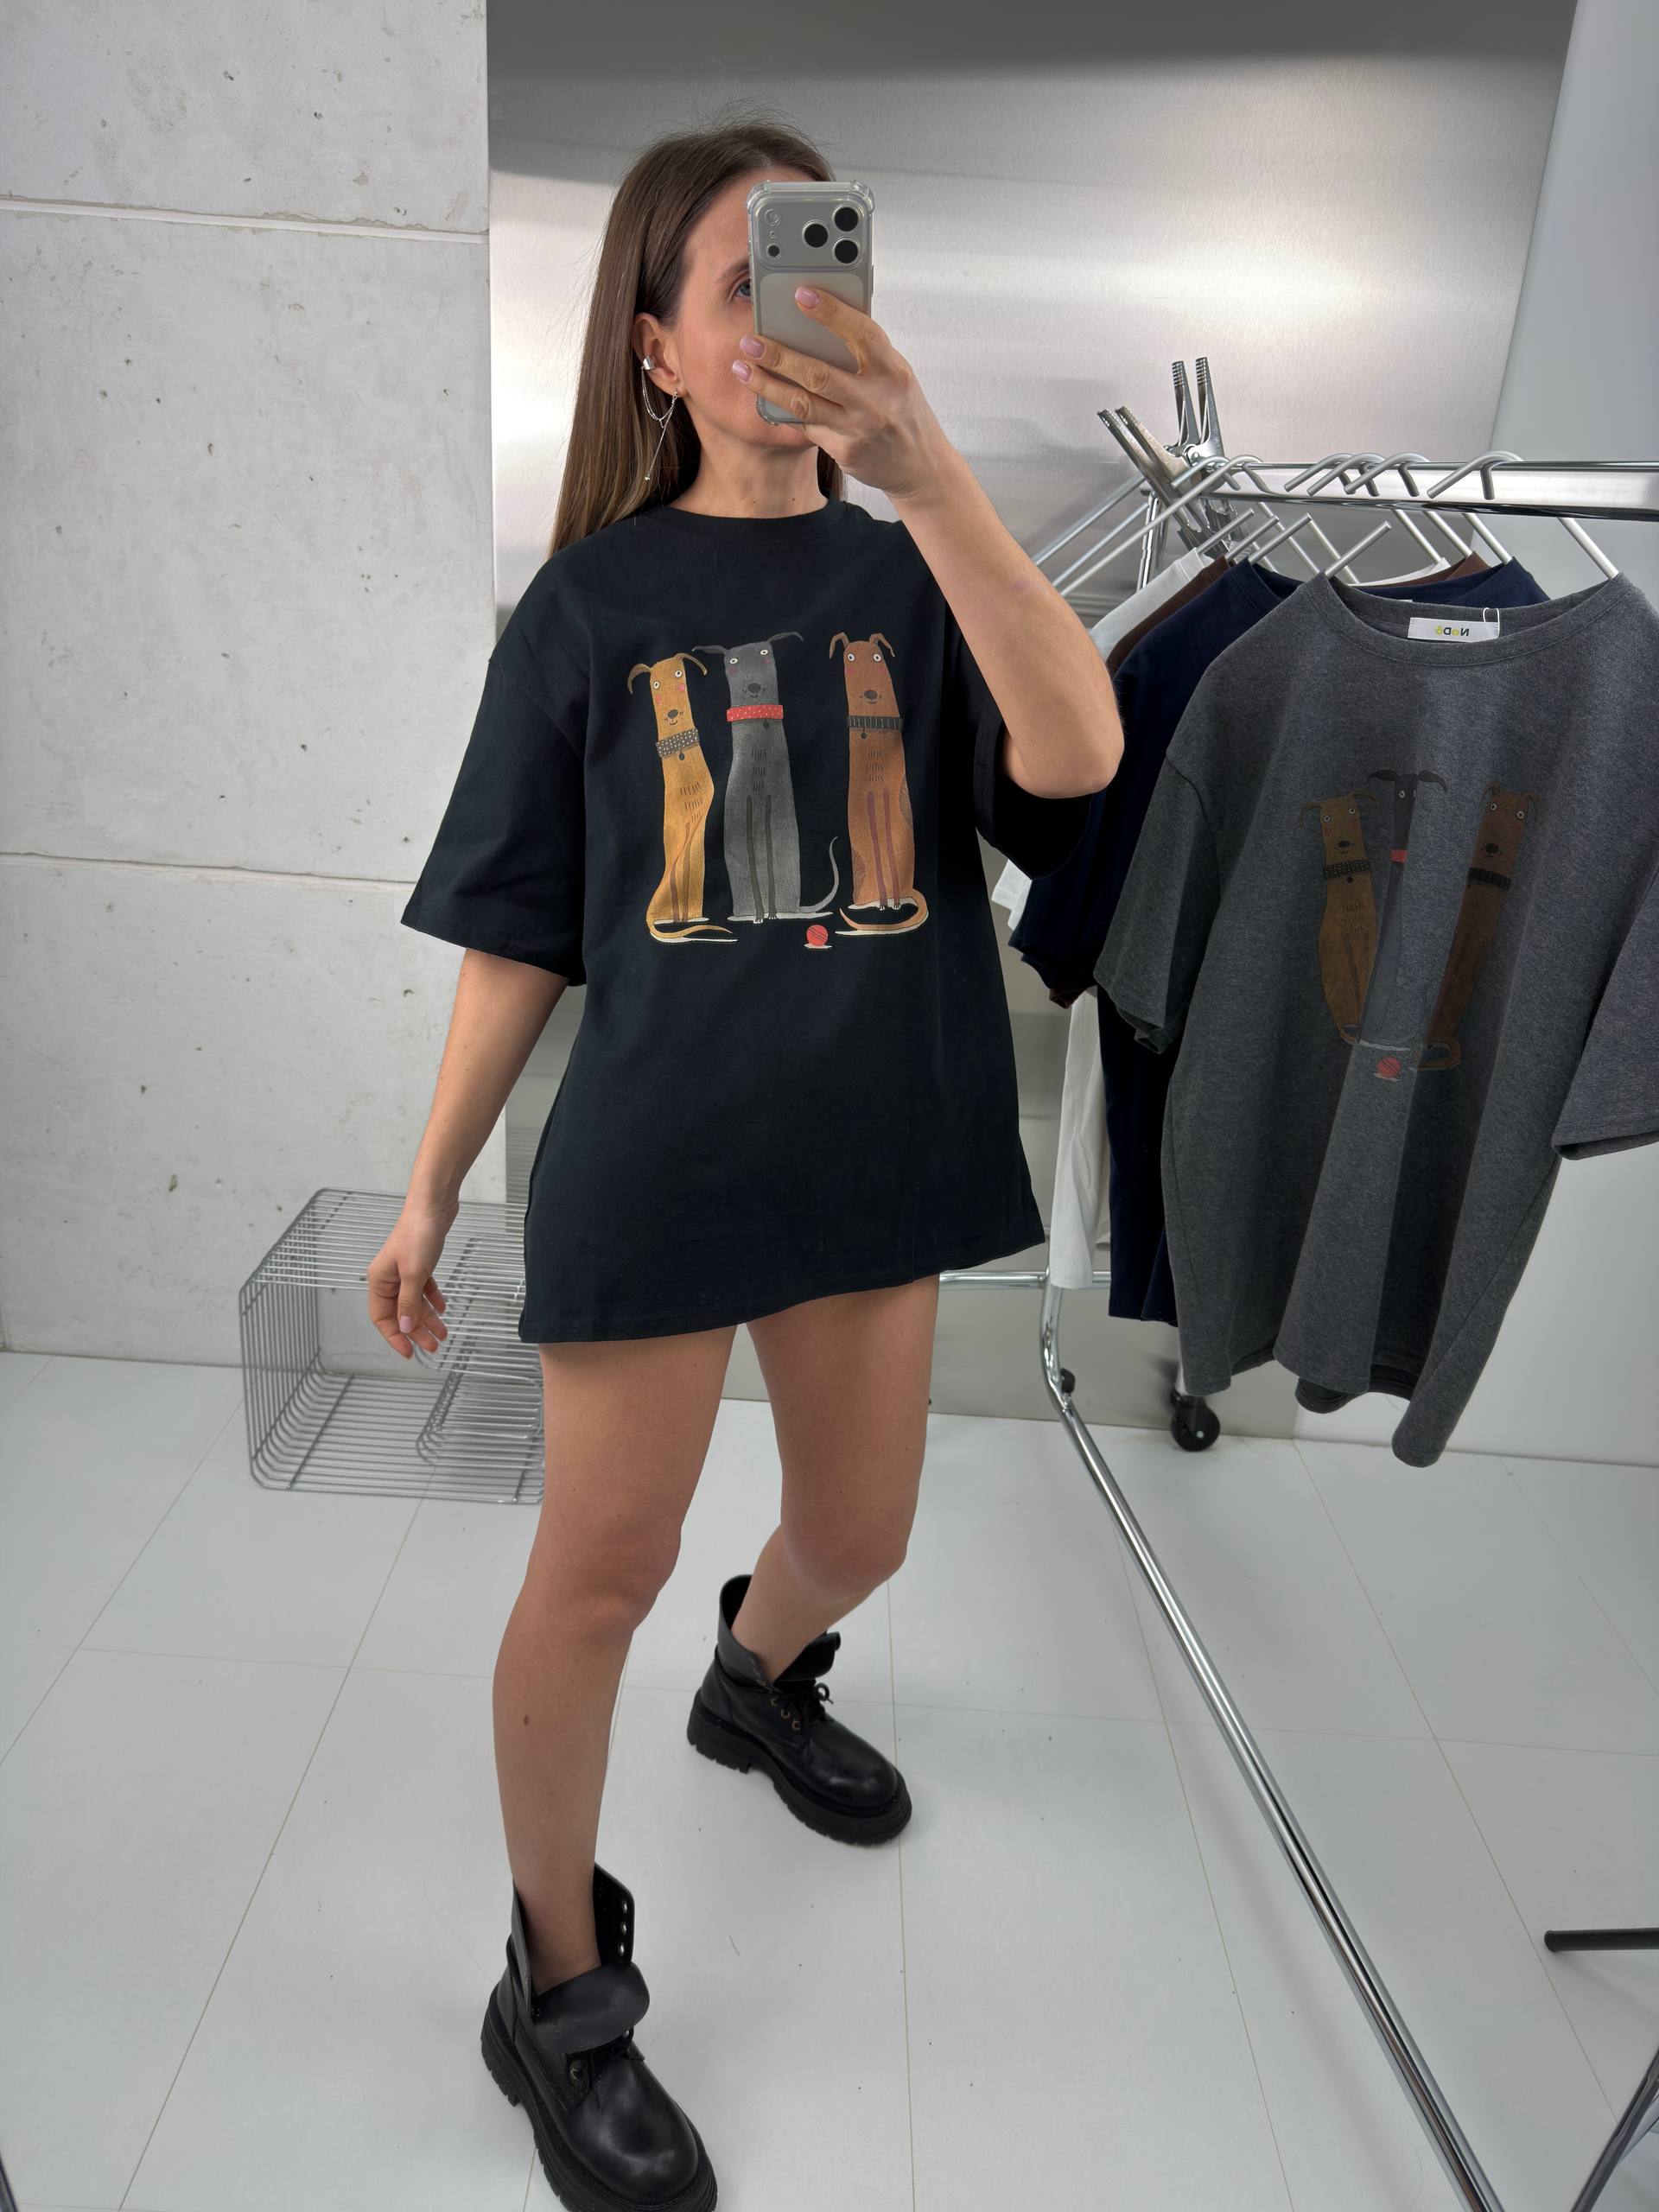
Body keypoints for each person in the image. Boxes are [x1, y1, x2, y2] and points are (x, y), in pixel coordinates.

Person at [367, 113, 1121, 2211]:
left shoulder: (916, 570)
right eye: (746, 284)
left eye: (826, 275)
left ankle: (761, 1673)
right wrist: (427, 1183)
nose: (798, 322)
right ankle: (556, 1983)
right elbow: (520, 927)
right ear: (659, 349)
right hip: (661, 1160)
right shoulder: (588, 606)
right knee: (591, 1575)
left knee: (859, 1530)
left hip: (879, 1144)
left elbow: (1076, 755)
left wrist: (933, 474)